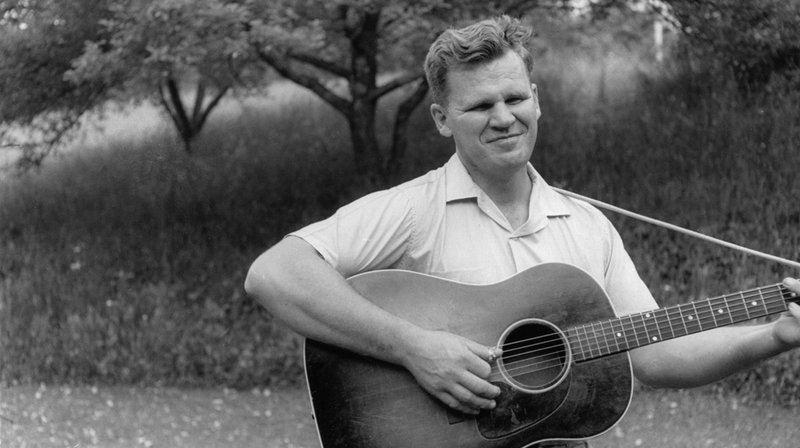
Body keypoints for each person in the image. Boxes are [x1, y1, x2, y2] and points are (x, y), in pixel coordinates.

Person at [245, 14, 800, 445]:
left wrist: (775, 335)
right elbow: (273, 274)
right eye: (480, 105)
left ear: (537, 99)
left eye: (515, 98)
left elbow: (654, 356)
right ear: (441, 119)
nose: (504, 117)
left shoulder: (587, 226)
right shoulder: (412, 211)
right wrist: (415, 348)